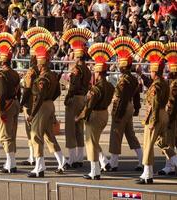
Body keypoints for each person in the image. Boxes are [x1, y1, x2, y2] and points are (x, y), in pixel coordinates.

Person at [137, 41, 177, 184]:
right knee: (163, 143)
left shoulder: (159, 84)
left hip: (155, 116)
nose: (149, 72)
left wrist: (153, 121)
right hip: (163, 115)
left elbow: (155, 104)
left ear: (154, 71)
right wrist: (141, 75)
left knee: (149, 144)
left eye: (150, 71)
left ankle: (147, 174)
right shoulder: (162, 82)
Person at [27, 33, 66, 178]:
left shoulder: (43, 78)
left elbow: (40, 96)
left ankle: (39, 167)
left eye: (38, 61)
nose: (36, 63)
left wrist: (32, 114)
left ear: (41, 63)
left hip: (42, 106)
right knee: (49, 135)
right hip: (50, 105)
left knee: (36, 135)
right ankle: (61, 161)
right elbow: (56, 92)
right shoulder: (52, 75)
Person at [76, 43, 115, 180]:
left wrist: (80, 117)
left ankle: (95, 171)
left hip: (95, 115)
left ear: (98, 73)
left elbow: (89, 106)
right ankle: (103, 162)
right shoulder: (110, 86)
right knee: (95, 141)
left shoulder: (96, 89)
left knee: (91, 143)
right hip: (105, 114)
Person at [108, 37, 143, 171]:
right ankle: (141, 161)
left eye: (120, 65)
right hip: (130, 107)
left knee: (115, 135)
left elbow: (121, 99)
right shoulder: (133, 78)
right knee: (131, 135)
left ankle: (114, 163)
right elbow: (137, 94)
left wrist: (117, 114)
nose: (118, 67)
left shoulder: (123, 81)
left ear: (123, 66)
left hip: (122, 107)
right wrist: (137, 108)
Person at [61, 28, 92, 168]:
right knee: (79, 128)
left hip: (74, 99)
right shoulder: (87, 69)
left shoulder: (76, 70)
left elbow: (72, 86)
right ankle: (79, 158)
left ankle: (72, 159)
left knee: (70, 129)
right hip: (83, 98)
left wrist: (67, 98)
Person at [0, 32, 20, 173]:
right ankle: (11, 162)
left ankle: (10, 164)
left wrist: (1, 109)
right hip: (14, 104)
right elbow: (18, 90)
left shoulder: (2, 75)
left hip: (7, 106)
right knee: (12, 134)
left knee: (5, 135)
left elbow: (1, 94)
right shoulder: (14, 73)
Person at [158, 42, 177, 176]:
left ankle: (170, 166)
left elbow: (173, 103)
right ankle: (171, 165)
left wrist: (169, 118)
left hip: (175, 114)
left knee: (169, 140)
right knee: (176, 140)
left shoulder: (175, 85)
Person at [20, 55, 39, 166]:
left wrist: (21, 104)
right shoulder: (40, 71)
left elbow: (27, 89)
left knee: (30, 131)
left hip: (30, 103)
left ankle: (33, 157)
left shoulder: (31, 71)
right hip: (37, 102)